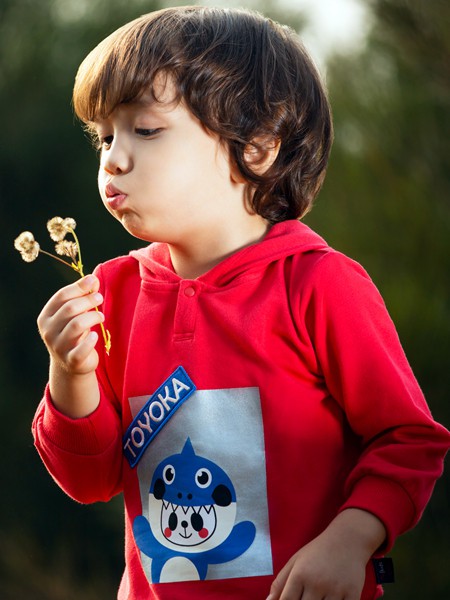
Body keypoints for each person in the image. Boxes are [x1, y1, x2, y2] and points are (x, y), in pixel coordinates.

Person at [32, 6, 450, 600]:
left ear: (255, 148)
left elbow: (407, 439)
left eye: (144, 129)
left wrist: (351, 540)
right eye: (105, 136)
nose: (113, 159)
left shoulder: (318, 284)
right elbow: (89, 480)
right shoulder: (113, 295)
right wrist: (70, 374)